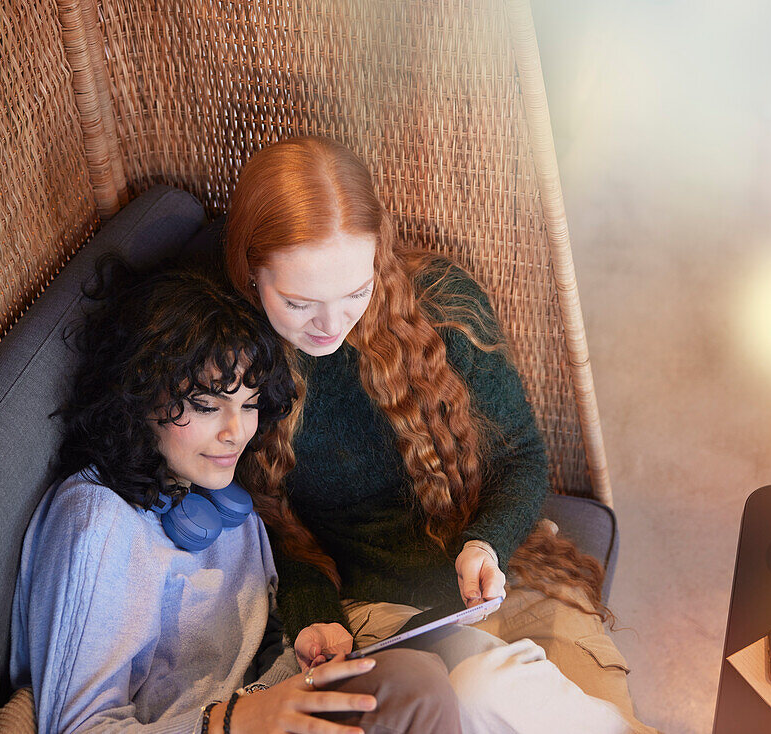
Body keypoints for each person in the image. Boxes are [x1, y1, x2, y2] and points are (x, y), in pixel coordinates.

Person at [222, 136, 651, 732]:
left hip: (505, 576)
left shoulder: (442, 307)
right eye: (298, 303)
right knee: (474, 693)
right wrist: (314, 617)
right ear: (250, 273)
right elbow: (267, 532)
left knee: (506, 693)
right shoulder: (232, 364)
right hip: (382, 619)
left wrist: (486, 543)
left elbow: (523, 456)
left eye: (355, 292)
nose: (330, 325)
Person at [9, 263, 460, 733]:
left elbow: (258, 645)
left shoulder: (220, 497)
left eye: (248, 405)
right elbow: (78, 726)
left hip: (256, 711)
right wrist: (231, 722)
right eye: (206, 406)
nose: (236, 432)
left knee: (415, 679)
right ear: (137, 397)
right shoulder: (97, 522)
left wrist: (302, 655)